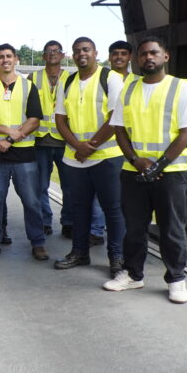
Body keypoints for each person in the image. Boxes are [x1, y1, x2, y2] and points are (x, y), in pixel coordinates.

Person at [104, 37, 187, 303]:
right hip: (133, 171)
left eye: (154, 53)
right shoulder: (129, 89)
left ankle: (177, 279)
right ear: (137, 59)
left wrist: (158, 165)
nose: (149, 57)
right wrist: (136, 160)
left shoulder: (181, 88)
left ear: (165, 56)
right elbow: (119, 130)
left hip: (171, 173)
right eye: (144, 54)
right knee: (134, 228)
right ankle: (133, 275)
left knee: (172, 229)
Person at [53, 37, 125, 277]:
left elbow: (116, 117)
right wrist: (77, 146)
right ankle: (79, 252)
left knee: (113, 209)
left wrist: (89, 146)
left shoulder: (111, 78)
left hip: (106, 157)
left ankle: (116, 256)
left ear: (95, 52)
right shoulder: (68, 81)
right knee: (79, 208)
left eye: (85, 50)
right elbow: (60, 119)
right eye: (76, 51)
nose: (81, 54)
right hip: (76, 158)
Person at [0, 44, 48, 261]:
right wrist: (9, 132)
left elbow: (34, 119)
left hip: (24, 155)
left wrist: (10, 139)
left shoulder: (28, 86)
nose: (5, 60)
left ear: (16, 59)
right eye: (1, 57)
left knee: (32, 201)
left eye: (9, 56)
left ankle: (38, 243)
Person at [28, 42, 105, 243]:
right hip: (40, 141)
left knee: (69, 187)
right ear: (43, 56)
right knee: (40, 186)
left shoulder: (71, 79)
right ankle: (45, 221)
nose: (52, 54)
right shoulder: (32, 77)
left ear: (63, 55)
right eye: (48, 52)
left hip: (65, 142)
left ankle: (68, 222)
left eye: (56, 51)